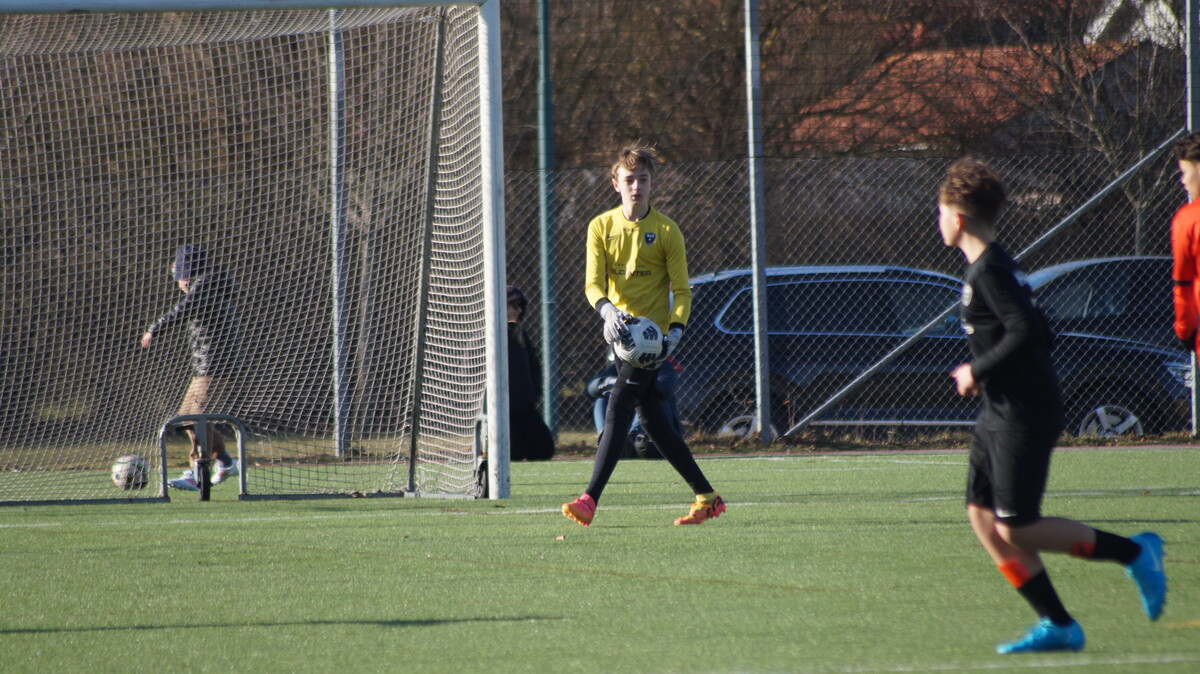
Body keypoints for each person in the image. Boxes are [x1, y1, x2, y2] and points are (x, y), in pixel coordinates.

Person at [937, 157, 1166, 654]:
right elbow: (1042, 328)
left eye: (939, 212)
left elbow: (1025, 330)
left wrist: (977, 369)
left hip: (1023, 413)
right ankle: (1058, 624)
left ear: (956, 216)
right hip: (999, 411)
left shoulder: (990, 271)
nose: (938, 221)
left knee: (1016, 528)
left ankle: (1135, 553)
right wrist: (992, 373)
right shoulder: (994, 264)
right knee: (982, 517)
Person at [562, 144, 724, 526]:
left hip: (651, 344)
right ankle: (707, 497)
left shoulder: (667, 230)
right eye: (630, 179)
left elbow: (682, 291)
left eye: (644, 179)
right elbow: (592, 285)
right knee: (652, 421)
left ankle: (589, 499)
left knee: (618, 406)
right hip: (620, 339)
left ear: (653, 184)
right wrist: (608, 312)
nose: (636, 186)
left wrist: (675, 333)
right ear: (615, 183)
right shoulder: (601, 227)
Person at [141, 244, 242, 491]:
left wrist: (155, 328)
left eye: (178, 278)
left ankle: (198, 474)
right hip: (207, 367)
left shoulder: (204, 289)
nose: (178, 285)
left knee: (196, 418)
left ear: (186, 275)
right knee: (189, 418)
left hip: (215, 367)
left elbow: (184, 308)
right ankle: (225, 462)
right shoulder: (209, 288)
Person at [585, 353, 682, 459]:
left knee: (650, 397)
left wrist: (634, 385)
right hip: (625, 429)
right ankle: (607, 436)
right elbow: (590, 388)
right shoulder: (622, 365)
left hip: (656, 433)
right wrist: (613, 383)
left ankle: (640, 437)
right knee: (602, 397)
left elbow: (665, 388)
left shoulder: (661, 364)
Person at [506, 285, 555, 461]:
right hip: (502, 411)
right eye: (514, 306)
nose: (519, 310)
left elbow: (535, 367)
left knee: (544, 450)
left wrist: (534, 393)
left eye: (521, 306)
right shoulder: (487, 335)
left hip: (525, 408)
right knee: (514, 452)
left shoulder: (520, 334)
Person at [1171, 132, 1200, 353]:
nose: (1183, 181)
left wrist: (1185, 330)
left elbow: (1183, 283)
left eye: (1184, 172)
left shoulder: (1188, 218)